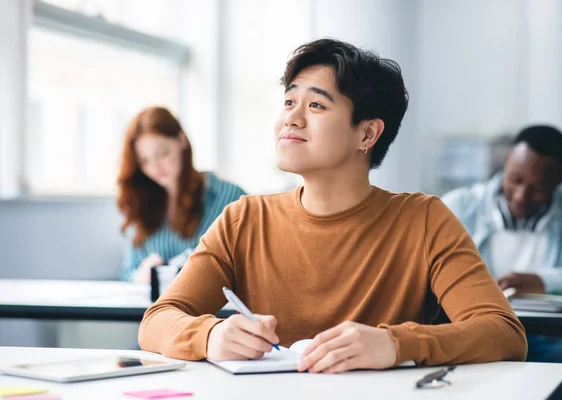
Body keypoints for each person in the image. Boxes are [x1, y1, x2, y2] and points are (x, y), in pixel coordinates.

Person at [139, 39, 526, 372]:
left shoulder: (423, 219)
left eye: (316, 106)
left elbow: (503, 332)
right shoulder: (244, 218)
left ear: (367, 133)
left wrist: (395, 345)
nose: (291, 117)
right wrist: (211, 334)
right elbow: (156, 321)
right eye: (289, 100)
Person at [442, 125, 562, 363]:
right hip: (475, 332)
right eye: (515, 179)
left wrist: (541, 281)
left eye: (538, 189)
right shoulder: (459, 205)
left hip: (544, 335)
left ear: (560, 181)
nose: (520, 196)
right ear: (507, 161)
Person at [117, 106, 246, 284]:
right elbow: (127, 273)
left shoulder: (230, 197)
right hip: (156, 308)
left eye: (163, 154)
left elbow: (249, 266)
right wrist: (141, 276)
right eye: (144, 161)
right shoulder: (142, 202)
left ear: (181, 140)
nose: (155, 168)